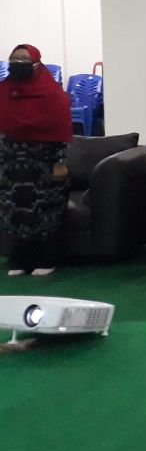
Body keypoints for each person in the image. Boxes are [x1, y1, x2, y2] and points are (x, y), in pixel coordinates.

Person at [1, 44, 72, 277]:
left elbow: (62, 132)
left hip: (43, 161)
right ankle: (19, 260)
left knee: (43, 210)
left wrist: (60, 162)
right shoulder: (4, 91)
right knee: (15, 209)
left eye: (24, 59)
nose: (18, 63)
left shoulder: (53, 95)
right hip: (10, 161)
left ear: (37, 64)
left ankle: (46, 259)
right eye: (14, 59)